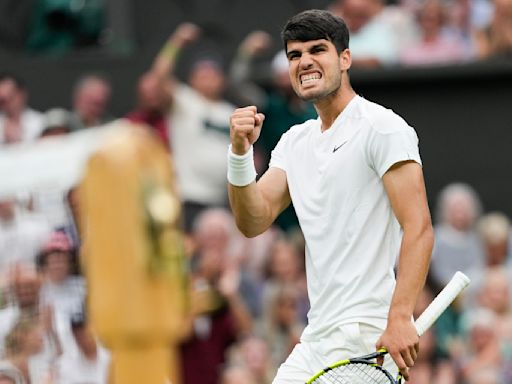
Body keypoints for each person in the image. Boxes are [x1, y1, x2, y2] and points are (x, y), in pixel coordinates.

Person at [227, 9, 434, 383]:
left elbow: (418, 226)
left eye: (317, 50)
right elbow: (251, 220)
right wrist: (240, 154)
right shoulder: (294, 142)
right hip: (315, 339)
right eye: (294, 55)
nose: (304, 61)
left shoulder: (382, 128)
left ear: (345, 58)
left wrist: (400, 316)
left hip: (366, 335)